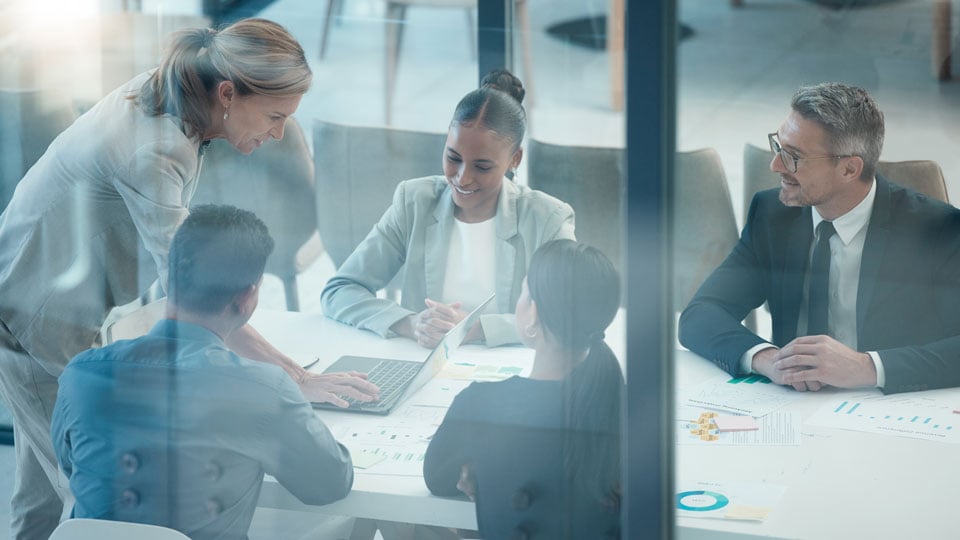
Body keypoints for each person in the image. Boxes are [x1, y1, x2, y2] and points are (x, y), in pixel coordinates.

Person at [0, 18, 376, 539]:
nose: (279, 133)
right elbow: (197, 291)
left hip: (46, 306)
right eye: (274, 115)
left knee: (37, 501)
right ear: (228, 93)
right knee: (91, 502)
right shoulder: (154, 149)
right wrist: (297, 377)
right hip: (33, 320)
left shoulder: (178, 94)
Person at [51, 205, 354, 539]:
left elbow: (72, 466)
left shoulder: (80, 375)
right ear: (246, 298)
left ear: (173, 279)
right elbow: (328, 484)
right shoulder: (262, 390)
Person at [679, 82, 960, 394]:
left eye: (794, 157)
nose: (776, 166)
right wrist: (770, 359)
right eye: (778, 147)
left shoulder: (936, 228)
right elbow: (700, 315)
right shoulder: (772, 215)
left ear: (849, 169)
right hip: (792, 409)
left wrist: (866, 367)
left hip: (885, 410)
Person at [321, 69, 575, 349]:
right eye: (453, 157)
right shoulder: (414, 201)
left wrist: (475, 329)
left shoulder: (548, 219)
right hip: (426, 366)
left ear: (515, 159)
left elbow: (567, 314)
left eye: (482, 166)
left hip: (509, 370)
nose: (462, 178)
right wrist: (412, 324)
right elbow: (339, 291)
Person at [423, 239, 622, 540]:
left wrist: (481, 464)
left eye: (524, 291)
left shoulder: (480, 406)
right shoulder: (629, 406)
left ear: (533, 314)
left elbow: (437, 480)